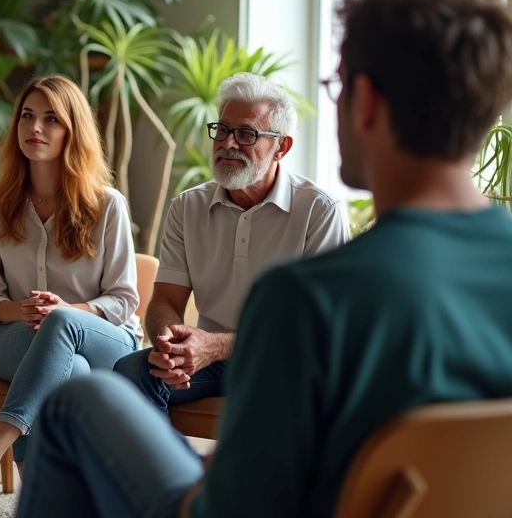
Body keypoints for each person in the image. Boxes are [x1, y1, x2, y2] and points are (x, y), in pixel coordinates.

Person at [6, 0, 512, 518]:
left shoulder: (309, 298)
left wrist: (204, 481)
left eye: (337, 86)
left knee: (76, 403)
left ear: (367, 102)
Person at [0, 74, 141, 506]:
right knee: (70, 370)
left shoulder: (107, 205)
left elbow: (124, 299)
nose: (35, 127)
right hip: (13, 337)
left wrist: (66, 311)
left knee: (62, 328)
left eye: (51, 118)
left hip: (106, 340)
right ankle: (56, 495)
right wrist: (23, 311)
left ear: (73, 131)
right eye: (27, 116)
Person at [113, 72, 349, 415]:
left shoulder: (319, 210)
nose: (228, 144)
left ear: (281, 147)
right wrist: (171, 347)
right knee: (131, 372)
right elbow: (165, 300)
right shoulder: (188, 207)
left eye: (246, 134)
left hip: (286, 362)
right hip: (210, 364)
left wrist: (216, 345)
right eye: (222, 130)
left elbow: (316, 328)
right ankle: (165, 454)